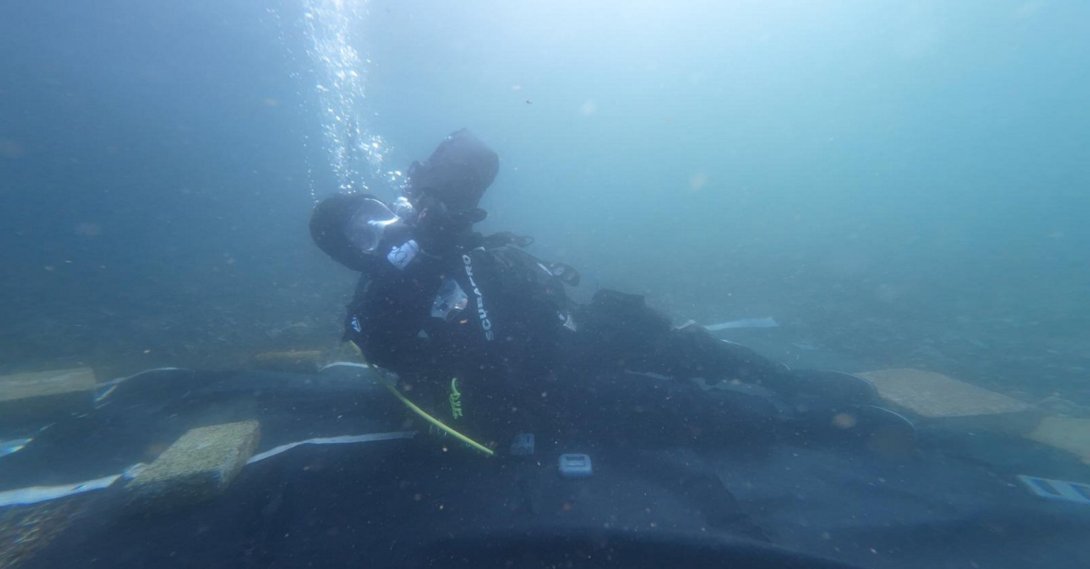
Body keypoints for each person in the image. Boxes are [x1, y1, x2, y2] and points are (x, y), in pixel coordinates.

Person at [310, 130, 873, 451]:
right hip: (538, 390)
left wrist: (453, 221)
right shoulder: (374, 303)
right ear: (348, 252)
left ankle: (791, 383)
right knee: (685, 407)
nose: (379, 228)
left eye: (375, 213)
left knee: (685, 347)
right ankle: (809, 424)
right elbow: (393, 341)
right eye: (360, 231)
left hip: (563, 335)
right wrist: (429, 252)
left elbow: (491, 255)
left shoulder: (442, 234)